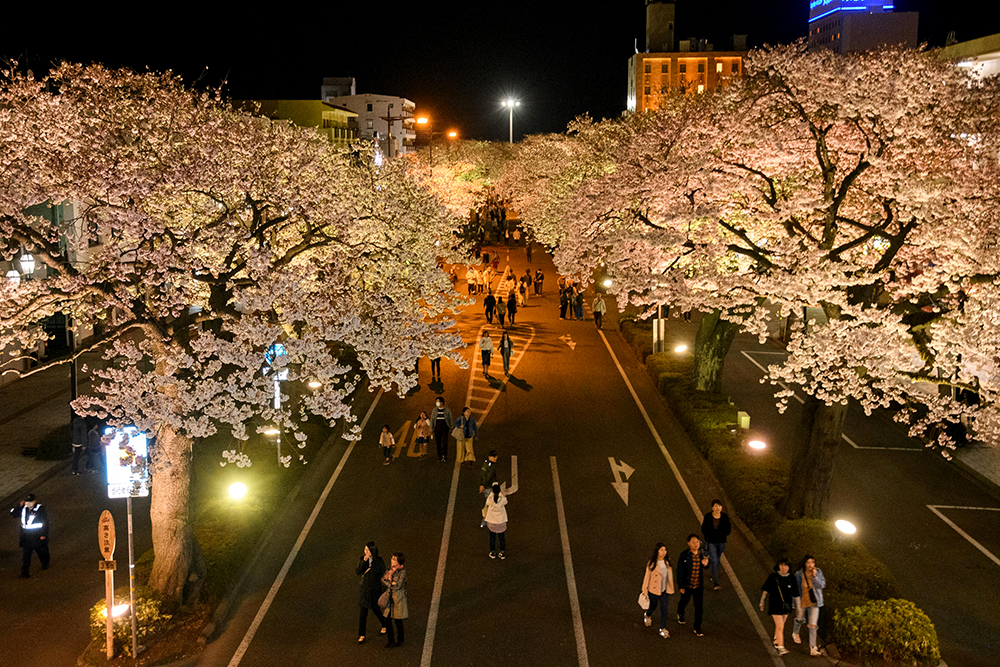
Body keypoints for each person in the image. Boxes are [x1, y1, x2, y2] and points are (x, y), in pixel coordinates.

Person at [760, 558, 799, 656]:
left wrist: (798, 606)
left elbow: (795, 593)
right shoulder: (773, 577)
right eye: (781, 565)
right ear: (778, 566)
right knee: (780, 626)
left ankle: (776, 640)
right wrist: (762, 601)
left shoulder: (792, 578)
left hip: (786, 605)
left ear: (789, 567)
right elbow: (766, 589)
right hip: (775, 604)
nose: (783, 568)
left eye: (786, 565)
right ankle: (781, 647)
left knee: (781, 624)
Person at [792, 555, 826, 656]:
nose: (811, 565)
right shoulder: (799, 574)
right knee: (799, 619)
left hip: (814, 602)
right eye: (808, 562)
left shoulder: (818, 572)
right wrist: (793, 603)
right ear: (805, 564)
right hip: (802, 601)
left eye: (813, 562)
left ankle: (812, 648)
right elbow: (795, 589)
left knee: (813, 625)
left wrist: (815, 577)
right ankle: (795, 632)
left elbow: (822, 585)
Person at [676, 534, 710, 636]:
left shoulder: (702, 555)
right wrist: (681, 585)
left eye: (697, 542)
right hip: (687, 585)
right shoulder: (685, 555)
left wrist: (706, 563)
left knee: (699, 607)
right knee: (684, 601)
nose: (695, 544)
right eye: (693, 542)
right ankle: (680, 612)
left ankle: (697, 627)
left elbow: (706, 566)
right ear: (689, 543)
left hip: (698, 586)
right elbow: (680, 571)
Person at [11, 493, 49, 578]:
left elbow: (45, 522)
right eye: (27, 501)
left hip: (37, 535)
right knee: (26, 556)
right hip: (26, 537)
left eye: (30, 501)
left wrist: (44, 534)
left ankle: (45, 564)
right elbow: (12, 514)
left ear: (34, 501)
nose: (28, 503)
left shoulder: (40, 509)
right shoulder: (23, 509)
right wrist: (18, 506)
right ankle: (25, 573)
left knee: (42, 552)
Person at [641, 543, 675, 638]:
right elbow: (647, 577)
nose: (664, 552)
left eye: (665, 550)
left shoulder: (667, 563)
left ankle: (663, 628)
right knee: (653, 606)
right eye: (661, 550)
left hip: (664, 590)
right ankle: (648, 614)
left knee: (664, 609)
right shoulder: (652, 563)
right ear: (657, 551)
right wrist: (645, 589)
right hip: (653, 590)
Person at [357, 541, 388, 643]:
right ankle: (362, 634)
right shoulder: (363, 560)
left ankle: (384, 624)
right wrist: (364, 561)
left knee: (376, 610)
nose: (365, 551)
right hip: (365, 591)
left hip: (374, 590)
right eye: (365, 549)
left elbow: (382, 572)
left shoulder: (378, 561)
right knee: (363, 613)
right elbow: (358, 571)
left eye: (367, 550)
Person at [701, 500, 732, 590]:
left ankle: (712, 566)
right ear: (712, 508)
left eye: (719, 506)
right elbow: (703, 529)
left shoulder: (725, 517)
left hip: (721, 542)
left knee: (717, 558)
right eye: (715, 506)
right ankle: (715, 582)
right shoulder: (708, 517)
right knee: (715, 560)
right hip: (711, 542)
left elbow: (728, 530)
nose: (717, 508)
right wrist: (711, 534)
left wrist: (722, 533)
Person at [382, 552, 408, 648]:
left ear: (398, 562)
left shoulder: (402, 572)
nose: (392, 560)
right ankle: (391, 641)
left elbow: (398, 585)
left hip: (398, 599)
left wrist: (390, 582)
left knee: (398, 621)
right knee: (387, 619)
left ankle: (400, 639)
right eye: (392, 558)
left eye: (394, 559)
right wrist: (391, 583)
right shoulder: (390, 570)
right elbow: (384, 580)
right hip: (390, 598)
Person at [484, 483, 508, 559]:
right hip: (501, 521)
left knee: (492, 537)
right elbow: (506, 502)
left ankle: (493, 552)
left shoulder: (490, 499)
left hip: (492, 521)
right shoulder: (502, 498)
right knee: (502, 538)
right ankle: (502, 552)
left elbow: (487, 503)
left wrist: (491, 494)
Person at [430, 398, 454, 463]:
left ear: (442, 403)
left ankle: (445, 456)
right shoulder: (434, 410)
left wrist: (451, 427)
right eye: (436, 402)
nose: (437, 403)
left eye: (438, 402)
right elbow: (432, 419)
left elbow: (450, 418)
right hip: (437, 427)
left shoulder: (447, 409)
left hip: (444, 426)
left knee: (444, 442)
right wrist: (431, 428)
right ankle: (439, 456)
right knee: (438, 442)